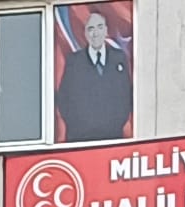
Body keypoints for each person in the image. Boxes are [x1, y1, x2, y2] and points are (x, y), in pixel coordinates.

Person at [55, 9, 132, 141]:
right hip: (81, 137)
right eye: (91, 28)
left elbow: (126, 95)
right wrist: (78, 126)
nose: (95, 33)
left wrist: (116, 124)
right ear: (86, 33)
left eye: (99, 27)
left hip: (113, 136)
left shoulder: (119, 58)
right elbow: (64, 99)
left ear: (106, 31)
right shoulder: (74, 61)